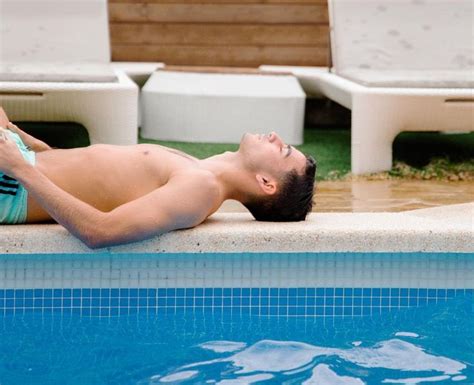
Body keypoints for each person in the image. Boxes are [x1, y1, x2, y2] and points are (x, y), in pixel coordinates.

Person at [0, 107, 316, 248]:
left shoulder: (201, 189)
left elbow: (99, 231)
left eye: (283, 150)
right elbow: (77, 170)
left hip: (11, 185)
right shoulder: (198, 169)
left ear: (266, 183)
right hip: (17, 164)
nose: (275, 137)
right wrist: (18, 137)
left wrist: (19, 167)